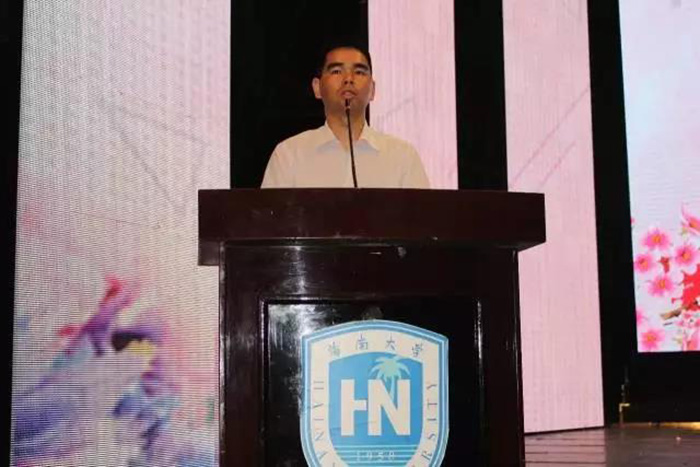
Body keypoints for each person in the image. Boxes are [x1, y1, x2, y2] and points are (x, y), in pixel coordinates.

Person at [261, 45, 430, 189]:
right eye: (336, 71)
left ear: (372, 90)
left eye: (359, 72)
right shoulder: (289, 154)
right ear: (317, 88)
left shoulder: (403, 157)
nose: (348, 79)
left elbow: (423, 217)